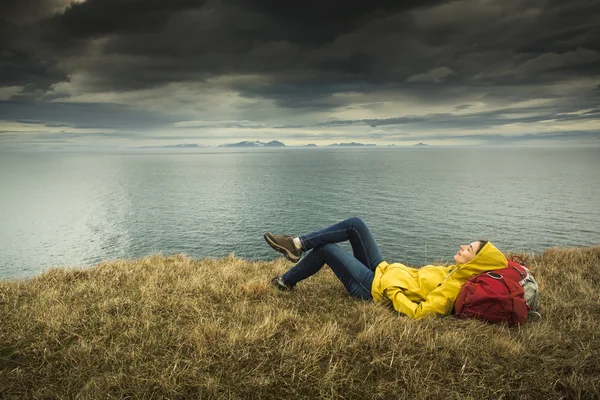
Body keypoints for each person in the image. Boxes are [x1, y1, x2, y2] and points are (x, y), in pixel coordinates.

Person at [263, 217, 508, 319]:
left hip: (374, 288)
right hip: (383, 269)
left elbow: (419, 313)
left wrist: (394, 293)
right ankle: (296, 245)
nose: (463, 246)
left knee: (326, 250)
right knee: (355, 224)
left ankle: (285, 281)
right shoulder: (453, 272)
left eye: (469, 249)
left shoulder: (453, 288)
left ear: (475, 262)